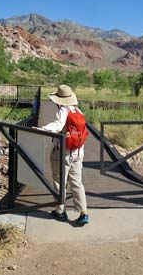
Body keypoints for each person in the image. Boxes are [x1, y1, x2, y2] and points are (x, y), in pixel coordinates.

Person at [40, 84, 89, 226]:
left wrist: (42, 129)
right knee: (77, 182)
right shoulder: (78, 111)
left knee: (59, 181)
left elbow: (57, 124)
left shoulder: (63, 110)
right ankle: (83, 213)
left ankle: (60, 211)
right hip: (78, 152)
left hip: (63, 152)